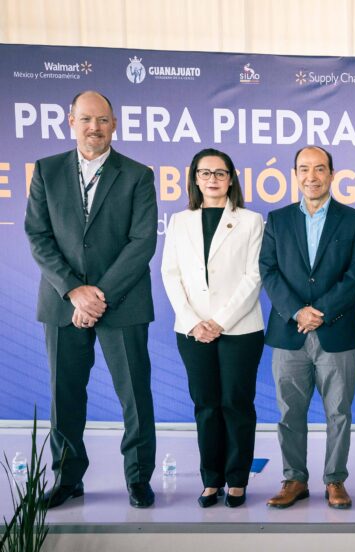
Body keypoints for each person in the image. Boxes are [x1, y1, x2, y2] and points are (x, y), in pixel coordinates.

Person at [25, 90, 158, 509]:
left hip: (123, 301)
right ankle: (67, 478)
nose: (94, 128)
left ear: (114, 124)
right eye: (85, 119)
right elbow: (38, 236)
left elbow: (142, 242)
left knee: (134, 395)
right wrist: (74, 291)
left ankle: (138, 478)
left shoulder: (138, 175)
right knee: (64, 395)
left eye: (102, 120)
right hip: (62, 302)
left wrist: (98, 296)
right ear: (71, 122)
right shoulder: (46, 170)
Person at [259, 146, 355, 510]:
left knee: (339, 412)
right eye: (304, 169)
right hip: (289, 332)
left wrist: (320, 312)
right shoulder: (277, 220)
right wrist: (297, 312)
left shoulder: (354, 221)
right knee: (289, 412)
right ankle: (294, 479)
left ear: (332, 175)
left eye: (320, 169)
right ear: (295, 175)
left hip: (336, 330)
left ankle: (335, 480)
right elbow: (268, 271)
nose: (312, 176)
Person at [161, 148, 265, 508]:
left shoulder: (251, 220)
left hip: (240, 329)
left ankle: (236, 479)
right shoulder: (179, 221)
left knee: (237, 403)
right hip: (192, 331)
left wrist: (220, 321)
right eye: (204, 173)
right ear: (195, 179)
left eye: (220, 173)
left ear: (231, 179)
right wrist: (194, 322)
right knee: (205, 405)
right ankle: (211, 480)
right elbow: (170, 274)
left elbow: (254, 276)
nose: (212, 179)